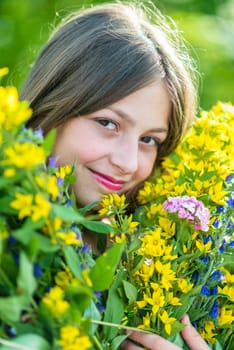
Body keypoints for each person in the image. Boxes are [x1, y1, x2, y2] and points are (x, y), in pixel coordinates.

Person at [20, 2, 210, 349]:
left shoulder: (149, 263)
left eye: (149, 140)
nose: (127, 162)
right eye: (108, 123)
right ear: (53, 105)